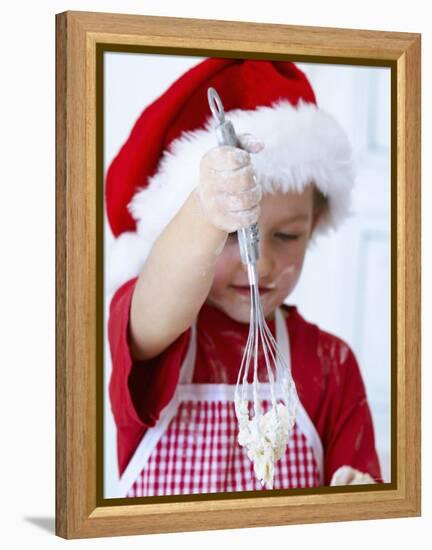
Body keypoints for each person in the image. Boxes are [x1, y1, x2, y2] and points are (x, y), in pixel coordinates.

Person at [106, 58, 382, 497]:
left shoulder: (332, 365)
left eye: (288, 235)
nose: (263, 262)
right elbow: (160, 297)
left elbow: (363, 500)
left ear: (317, 224)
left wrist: (360, 495)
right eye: (232, 234)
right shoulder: (159, 332)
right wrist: (205, 212)